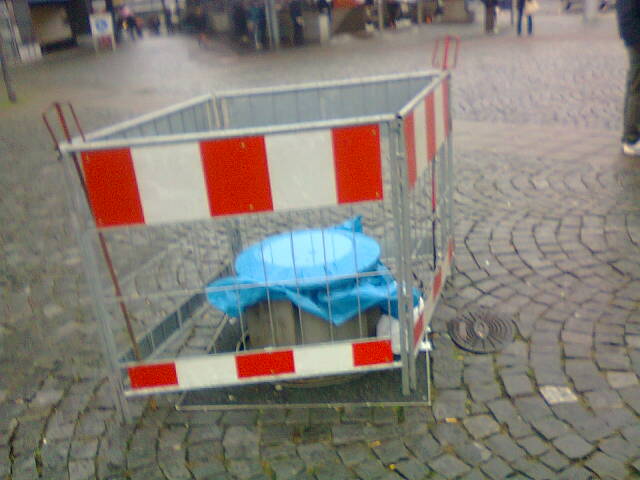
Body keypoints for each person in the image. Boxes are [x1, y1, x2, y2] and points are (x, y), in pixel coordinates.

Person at [617, 0, 640, 155]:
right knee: (636, 88)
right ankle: (631, 138)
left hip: (635, 38)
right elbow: (627, 14)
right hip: (637, 41)